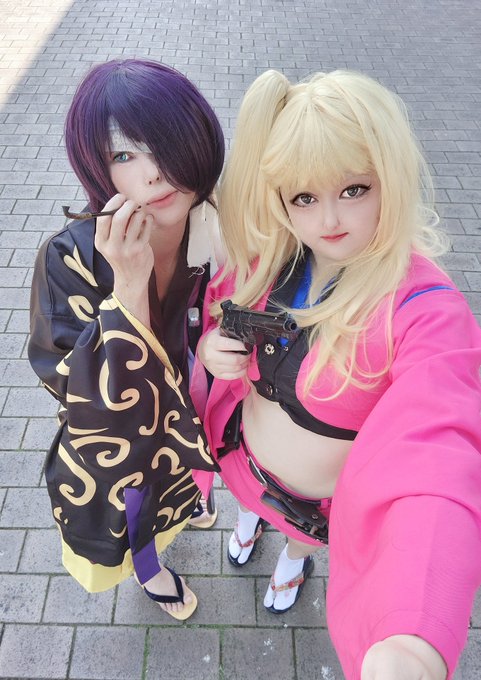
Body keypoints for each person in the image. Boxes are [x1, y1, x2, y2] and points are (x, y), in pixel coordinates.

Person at [194, 69, 481, 678]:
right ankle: (248, 524)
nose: (329, 218)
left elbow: (439, 456)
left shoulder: (423, 312)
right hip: (244, 464)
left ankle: (294, 561)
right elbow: (221, 312)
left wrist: (413, 636)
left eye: (354, 189)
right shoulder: (272, 259)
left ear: (390, 178)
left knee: (299, 539)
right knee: (250, 507)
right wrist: (213, 350)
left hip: (316, 506)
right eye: (304, 197)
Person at [28, 58, 225, 620]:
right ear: (98, 169)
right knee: (139, 509)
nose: (154, 173)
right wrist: (131, 282)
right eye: (123, 156)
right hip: (125, 444)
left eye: (166, 142)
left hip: (195, 411)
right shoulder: (69, 259)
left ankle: (194, 499)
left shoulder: (216, 223)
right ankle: (151, 571)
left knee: (192, 475)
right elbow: (90, 402)